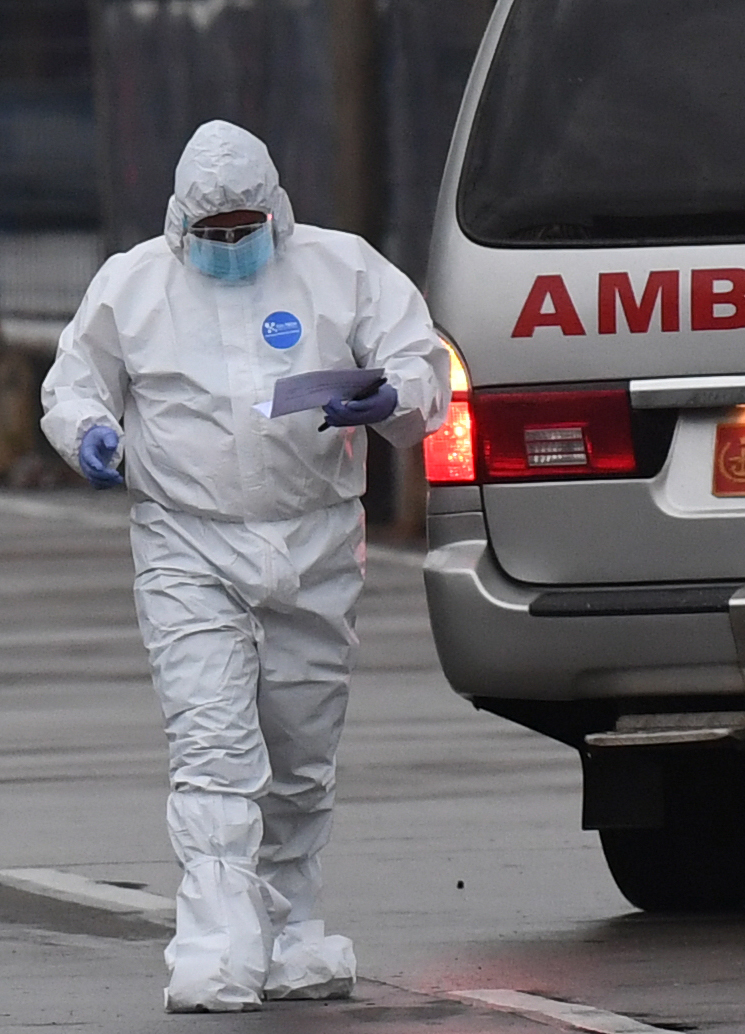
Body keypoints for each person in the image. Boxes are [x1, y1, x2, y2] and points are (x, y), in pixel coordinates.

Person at [40, 120, 450, 1012]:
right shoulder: (133, 284)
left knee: (302, 748)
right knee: (214, 746)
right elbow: (74, 384)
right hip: (187, 541)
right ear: (183, 221)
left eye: (244, 228)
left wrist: (395, 394)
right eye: (213, 232)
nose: (231, 245)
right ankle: (215, 944)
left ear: (275, 210)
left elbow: (420, 362)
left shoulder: (342, 270)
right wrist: (90, 434)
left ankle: (293, 925)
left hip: (316, 539)